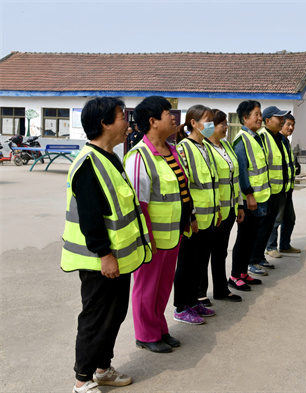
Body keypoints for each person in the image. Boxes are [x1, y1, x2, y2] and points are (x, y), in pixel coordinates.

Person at [61, 97, 152, 393]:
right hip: (99, 261)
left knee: (113, 315)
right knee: (95, 318)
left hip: (116, 259)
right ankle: (82, 381)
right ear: (104, 124)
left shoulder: (110, 157)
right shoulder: (88, 164)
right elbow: (90, 219)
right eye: (121, 117)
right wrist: (105, 255)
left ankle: (102, 369)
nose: (127, 123)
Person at [125, 96, 196, 353]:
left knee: (163, 286)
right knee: (146, 287)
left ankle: (159, 327)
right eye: (168, 113)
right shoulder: (139, 156)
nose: (173, 117)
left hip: (173, 234)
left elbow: (183, 191)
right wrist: (146, 237)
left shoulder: (173, 150)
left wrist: (189, 219)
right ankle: (145, 334)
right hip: (152, 237)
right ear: (153, 121)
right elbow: (137, 203)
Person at [173, 104, 219, 323]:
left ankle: (193, 301)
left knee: (200, 263)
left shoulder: (206, 147)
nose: (210, 125)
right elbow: (184, 187)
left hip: (209, 217)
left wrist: (217, 209)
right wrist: (190, 217)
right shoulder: (183, 148)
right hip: (194, 220)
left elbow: (212, 182)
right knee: (187, 264)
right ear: (194, 123)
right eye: (207, 120)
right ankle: (181, 307)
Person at [201, 109, 245, 303]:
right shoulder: (204, 148)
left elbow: (235, 179)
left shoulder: (226, 146)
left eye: (226, 123)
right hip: (214, 211)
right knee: (204, 254)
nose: (226, 127)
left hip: (229, 210)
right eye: (222, 124)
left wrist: (240, 205)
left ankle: (221, 289)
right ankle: (200, 294)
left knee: (220, 252)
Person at [230, 100, 270, 290]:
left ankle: (244, 272)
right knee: (244, 237)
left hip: (260, 197)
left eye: (260, 114)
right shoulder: (241, 140)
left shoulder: (256, 137)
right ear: (245, 118)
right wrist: (248, 195)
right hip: (249, 200)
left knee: (251, 237)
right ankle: (235, 275)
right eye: (256, 114)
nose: (260, 118)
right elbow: (242, 171)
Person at [248, 105, 291, 273]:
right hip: (266, 192)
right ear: (268, 121)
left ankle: (260, 257)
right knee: (260, 228)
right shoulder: (262, 137)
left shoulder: (279, 138)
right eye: (278, 118)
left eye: (282, 118)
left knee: (268, 228)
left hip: (278, 190)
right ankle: (252, 260)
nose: (282, 121)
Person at [266, 113, 301, 257]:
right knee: (276, 219)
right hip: (277, 189)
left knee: (290, 218)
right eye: (288, 124)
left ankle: (285, 245)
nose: (291, 128)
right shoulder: (276, 141)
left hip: (287, 189)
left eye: (293, 125)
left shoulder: (286, 141)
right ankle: (271, 247)